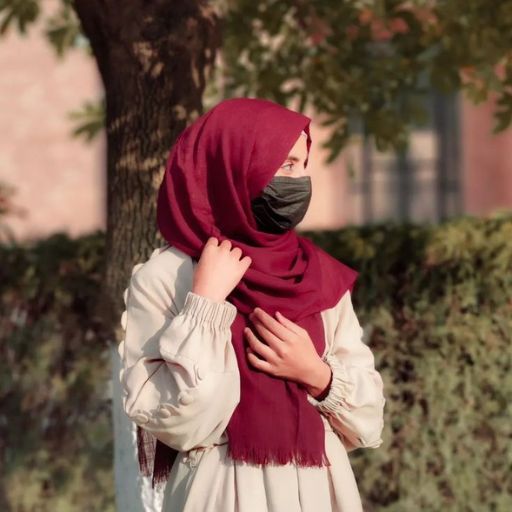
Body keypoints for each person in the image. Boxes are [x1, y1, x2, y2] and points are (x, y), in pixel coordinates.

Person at [118, 97, 386, 512]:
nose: (297, 180)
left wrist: (316, 375)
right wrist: (204, 304)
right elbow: (182, 423)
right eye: (283, 165)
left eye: (301, 164)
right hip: (221, 494)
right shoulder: (167, 278)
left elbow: (369, 420)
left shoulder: (318, 275)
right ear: (234, 167)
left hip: (320, 492)